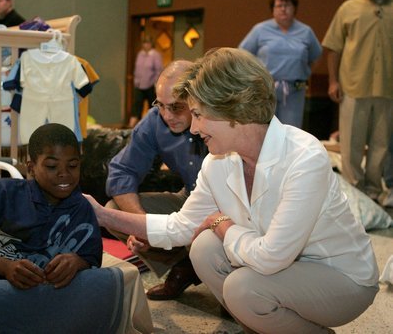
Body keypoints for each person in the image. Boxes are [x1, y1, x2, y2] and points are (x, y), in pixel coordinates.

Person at [86, 47, 379, 333]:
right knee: (203, 249)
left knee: (243, 289)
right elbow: (179, 226)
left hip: (341, 278)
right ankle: (261, 327)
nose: (193, 128)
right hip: (276, 265)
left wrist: (222, 225)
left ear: (234, 110)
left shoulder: (304, 157)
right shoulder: (219, 162)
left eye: (198, 114)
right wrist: (102, 215)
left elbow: (271, 257)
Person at [0, 123, 102, 290]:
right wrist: (4, 267)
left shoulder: (81, 209)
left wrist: (77, 262)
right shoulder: (0, 193)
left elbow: (91, 258)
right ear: (31, 168)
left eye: (73, 165)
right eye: (52, 166)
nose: (64, 174)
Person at [106, 60, 208, 300]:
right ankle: (185, 265)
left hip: (226, 206)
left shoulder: (217, 119)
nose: (166, 115)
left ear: (197, 99)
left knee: (207, 245)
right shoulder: (155, 121)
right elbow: (121, 172)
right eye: (160, 105)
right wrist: (143, 226)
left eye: (176, 107)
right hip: (189, 197)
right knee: (116, 213)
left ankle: (220, 278)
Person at [322, 0, 393, 203]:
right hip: (353, 86)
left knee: (381, 144)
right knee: (351, 142)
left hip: (387, 89)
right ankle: (354, 192)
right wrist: (333, 81)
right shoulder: (348, 7)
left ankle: (373, 190)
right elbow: (333, 48)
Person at [239, 0, 322, 129]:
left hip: (294, 90)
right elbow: (243, 54)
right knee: (264, 129)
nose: (283, 9)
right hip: (265, 89)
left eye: (287, 5)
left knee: (291, 131)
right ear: (273, 9)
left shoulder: (305, 31)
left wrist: (305, 73)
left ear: (294, 8)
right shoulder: (260, 30)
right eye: (279, 5)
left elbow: (316, 56)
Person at [128, 36, 163, 128]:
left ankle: (153, 125)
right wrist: (136, 81)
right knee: (137, 104)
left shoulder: (155, 55)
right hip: (139, 85)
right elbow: (137, 69)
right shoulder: (140, 54)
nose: (146, 45)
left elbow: (158, 70)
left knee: (152, 105)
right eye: (144, 43)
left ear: (151, 44)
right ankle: (132, 126)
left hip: (150, 85)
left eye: (148, 43)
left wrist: (155, 82)